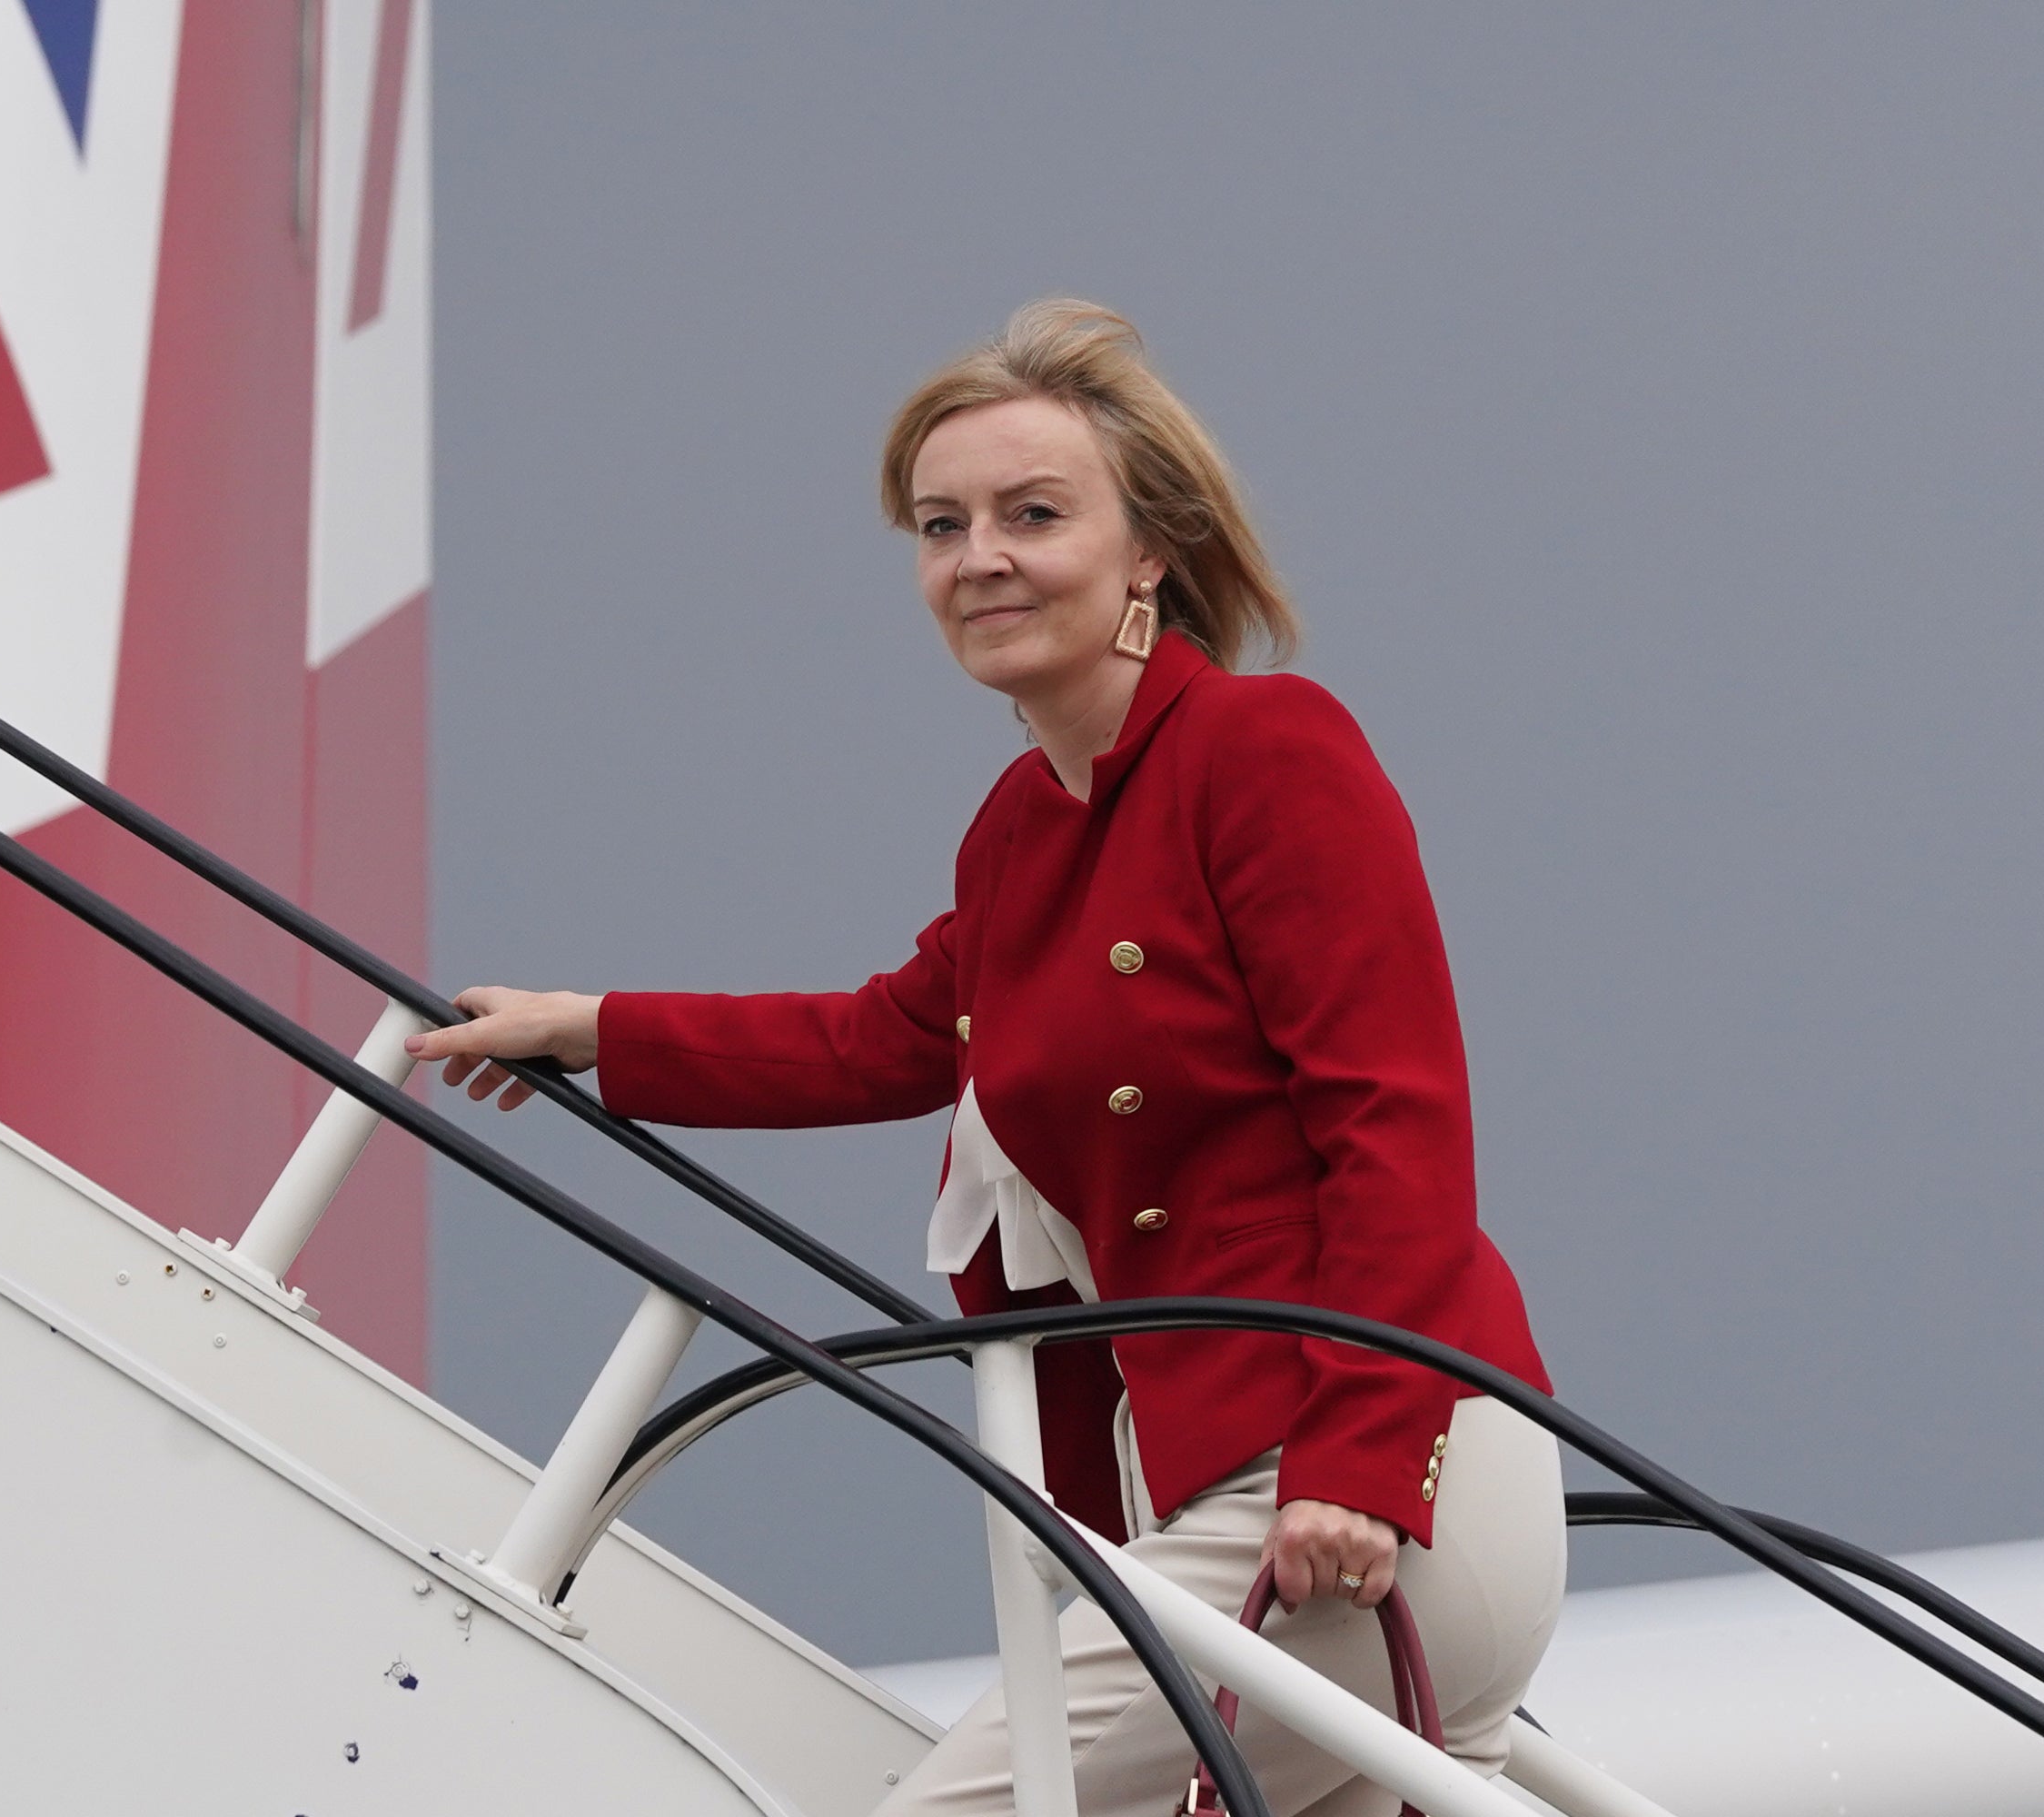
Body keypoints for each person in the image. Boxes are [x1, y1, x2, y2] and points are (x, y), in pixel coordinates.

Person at [407, 300, 1563, 1816]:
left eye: (1033, 514)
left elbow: (1398, 1123)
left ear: (1150, 549)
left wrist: (1355, 1454)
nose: (978, 559)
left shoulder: (1265, 752)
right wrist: (596, 1032)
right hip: (1230, 1481)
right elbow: (885, 1038)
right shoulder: (1024, 835)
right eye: (940, 526)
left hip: (1363, 1473)